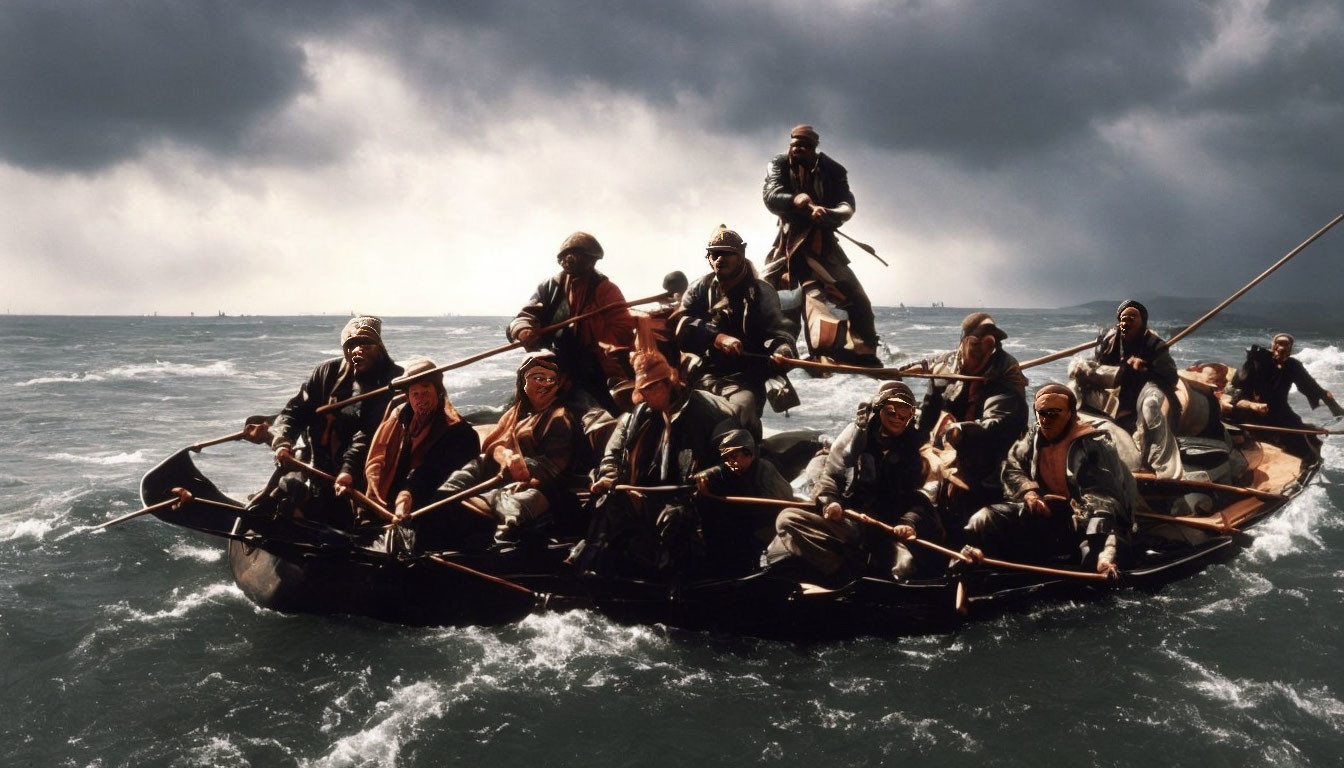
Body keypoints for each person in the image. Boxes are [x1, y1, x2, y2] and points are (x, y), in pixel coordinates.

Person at [570, 329, 738, 579]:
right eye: (643, 391)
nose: (645, 397)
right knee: (607, 503)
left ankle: (676, 587)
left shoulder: (710, 412)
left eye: (650, 389)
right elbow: (613, 455)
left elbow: (734, 459)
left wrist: (710, 475)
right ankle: (589, 568)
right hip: (644, 495)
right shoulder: (637, 417)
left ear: (667, 383)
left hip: (691, 500)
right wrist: (609, 477)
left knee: (675, 521)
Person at [764, 381, 941, 582]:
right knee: (787, 520)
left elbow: (913, 498)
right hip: (849, 521)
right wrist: (830, 502)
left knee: (909, 568)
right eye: (892, 410)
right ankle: (842, 573)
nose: (897, 418)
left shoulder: (909, 447)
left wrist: (907, 524)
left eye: (904, 412)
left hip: (886, 528)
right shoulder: (856, 435)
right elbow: (831, 476)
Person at [962, 384, 1137, 578]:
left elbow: (1106, 501)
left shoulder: (1093, 444)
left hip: (1089, 522)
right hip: (1046, 515)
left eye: (1054, 413)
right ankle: (977, 569)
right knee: (984, 520)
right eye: (1041, 413)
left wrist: (1073, 510)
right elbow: (1012, 466)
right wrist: (1029, 493)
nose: (1046, 419)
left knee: (1091, 558)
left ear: (1070, 414)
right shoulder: (1034, 436)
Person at [428, 351, 579, 549]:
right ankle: (445, 497)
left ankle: (499, 547)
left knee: (513, 509)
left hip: (540, 488)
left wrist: (521, 468)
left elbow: (553, 468)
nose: (544, 385)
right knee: (475, 466)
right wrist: (504, 456)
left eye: (550, 379)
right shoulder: (515, 413)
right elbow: (495, 444)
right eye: (537, 378)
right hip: (504, 474)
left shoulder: (559, 418)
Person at [261, 316, 403, 526]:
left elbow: (370, 434)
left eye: (365, 343)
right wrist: (282, 440)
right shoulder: (326, 373)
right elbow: (294, 411)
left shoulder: (393, 381)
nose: (358, 350)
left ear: (379, 345)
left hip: (362, 474)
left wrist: (348, 471)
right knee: (286, 498)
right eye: (351, 344)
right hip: (318, 468)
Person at [760, 124, 879, 359]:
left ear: (814, 149)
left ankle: (864, 351)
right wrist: (795, 200)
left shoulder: (834, 170)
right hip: (787, 246)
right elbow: (771, 195)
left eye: (805, 146)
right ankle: (762, 344)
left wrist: (830, 213)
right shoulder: (778, 164)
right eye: (795, 145)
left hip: (823, 247)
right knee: (760, 290)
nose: (799, 150)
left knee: (856, 297)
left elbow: (847, 205)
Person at [675, 225, 797, 439]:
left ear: (741, 255)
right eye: (714, 254)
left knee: (741, 412)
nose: (719, 259)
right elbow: (681, 323)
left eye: (727, 253)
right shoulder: (699, 288)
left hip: (746, 378)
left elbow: (779, 331)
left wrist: (783, 350)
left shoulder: (762, 292)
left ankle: (750, 460)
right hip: (702, 374)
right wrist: (716, 337)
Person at [917, 313, 1029, 535]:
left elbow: (998, 421)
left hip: (991, 450)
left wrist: (962, 431)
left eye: (989, 344)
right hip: (948, 445)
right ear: (964, 341)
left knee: (974, 499)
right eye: (976, 343)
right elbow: (928, 411)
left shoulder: (1006, 370)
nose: (982, 351)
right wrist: (919, 443)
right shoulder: (944, 365)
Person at [508, 231, 636, 415]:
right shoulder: (550, 287)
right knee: (528, 399)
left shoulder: (606, 290)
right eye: (566, 256)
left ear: (592, 260)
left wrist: (592, 335)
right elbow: (525, 315)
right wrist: (523, 330)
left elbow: (623, 327)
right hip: (555, 358)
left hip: (594, 363)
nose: (570, 260)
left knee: (601, 409)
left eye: (578, 255)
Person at [362, 358, 480, 529]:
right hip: (394, 504)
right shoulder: (400, 420)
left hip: (432, 508)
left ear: (439, 392)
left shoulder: (458, 432)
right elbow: (379, 457)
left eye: (425, 392)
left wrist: (406, 497)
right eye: (414, 393)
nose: (420, 399)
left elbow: (431, 473)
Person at [1070, 300, 1182, 478]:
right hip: (1120, 390)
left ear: (1142, 321)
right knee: (1073, 390)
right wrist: (1086, 371)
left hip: (1148, 386)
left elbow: (1170, 377)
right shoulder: (1110, 341)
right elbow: (1100, 365)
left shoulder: (1154, 344)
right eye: (1123, 318)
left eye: (1132, 318)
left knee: (1150, 406)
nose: (1126, 322)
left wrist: (1145, 369)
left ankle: (1161, 465)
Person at [693, 428, 796, 573]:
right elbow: (718, 471)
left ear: (749, 453)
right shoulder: (732, 468)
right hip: (743, 525)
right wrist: (704, 476)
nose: (730, 462)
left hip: (768, 527)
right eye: (726, 457)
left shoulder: (765, 469)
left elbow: (782, 503)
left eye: (734, 456)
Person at [1228, 333, 1342, 457]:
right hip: (1254, 411)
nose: (1281, 348)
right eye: (1279, 343)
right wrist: (1252, 405)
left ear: (1290, 348)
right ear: (1273, 346)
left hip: (1280, 409)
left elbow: (1310, 385)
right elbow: (1236, 394)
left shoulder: (1293, 365)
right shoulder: (1257, 362)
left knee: (1308, 447)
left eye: (1285, 344)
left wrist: (1329, 400)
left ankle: (1307, 457)